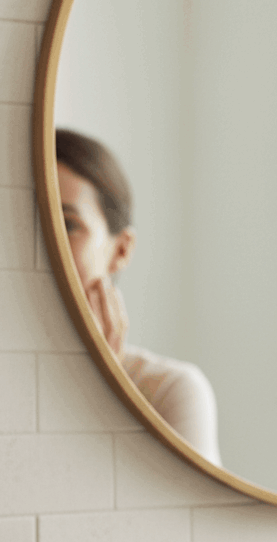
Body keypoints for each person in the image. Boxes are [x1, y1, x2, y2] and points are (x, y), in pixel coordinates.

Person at [55, 128, 222, 465]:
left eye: (69, 224)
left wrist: (103, 388)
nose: (43, 241)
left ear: (121, 249)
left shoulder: (172, 393)